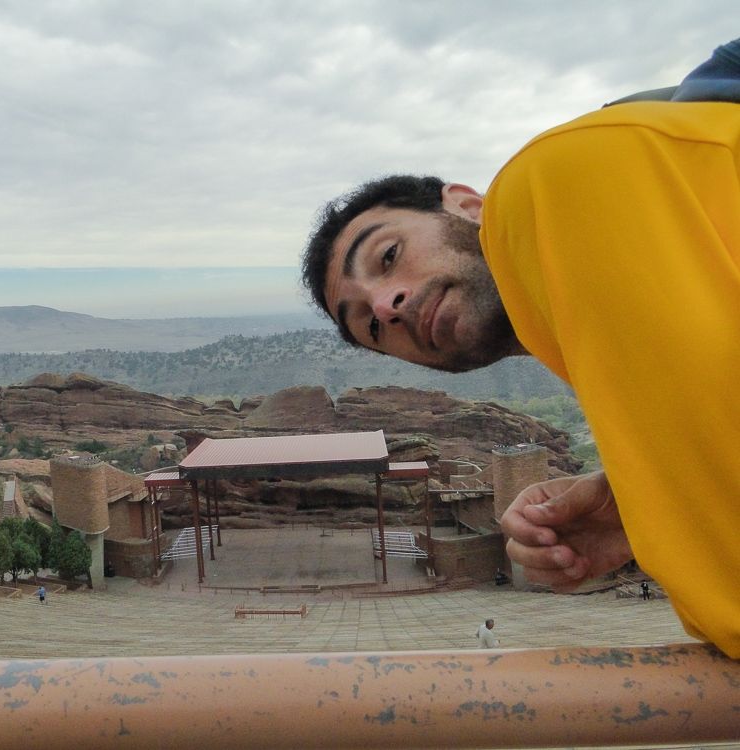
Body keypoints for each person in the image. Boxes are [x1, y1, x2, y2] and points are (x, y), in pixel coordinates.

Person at [301, 40, 740, 658]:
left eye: (389, 256)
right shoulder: (577, 323)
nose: (385, 307)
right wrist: (647, 508)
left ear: (467, 204)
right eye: (369, 328)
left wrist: (685, 520)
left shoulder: (550, 184)